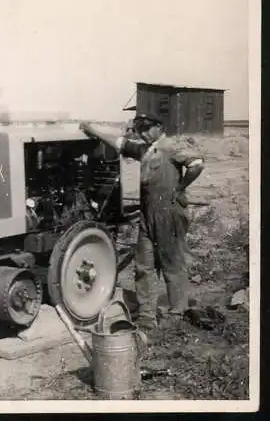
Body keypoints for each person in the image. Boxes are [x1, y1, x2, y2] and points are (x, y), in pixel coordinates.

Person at [79, 114, 205, 333]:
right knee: (143, 265)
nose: (143, 133)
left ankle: (177, 312)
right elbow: (120, 143)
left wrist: (180, 188)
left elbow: (196, 164)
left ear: (159, 127)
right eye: (139, 129)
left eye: (147, 128)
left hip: (169, 212)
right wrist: (92, 129)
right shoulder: (144, 150)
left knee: (171, 262)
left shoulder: (170, 146)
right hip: (147, 214)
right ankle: (147, 316)